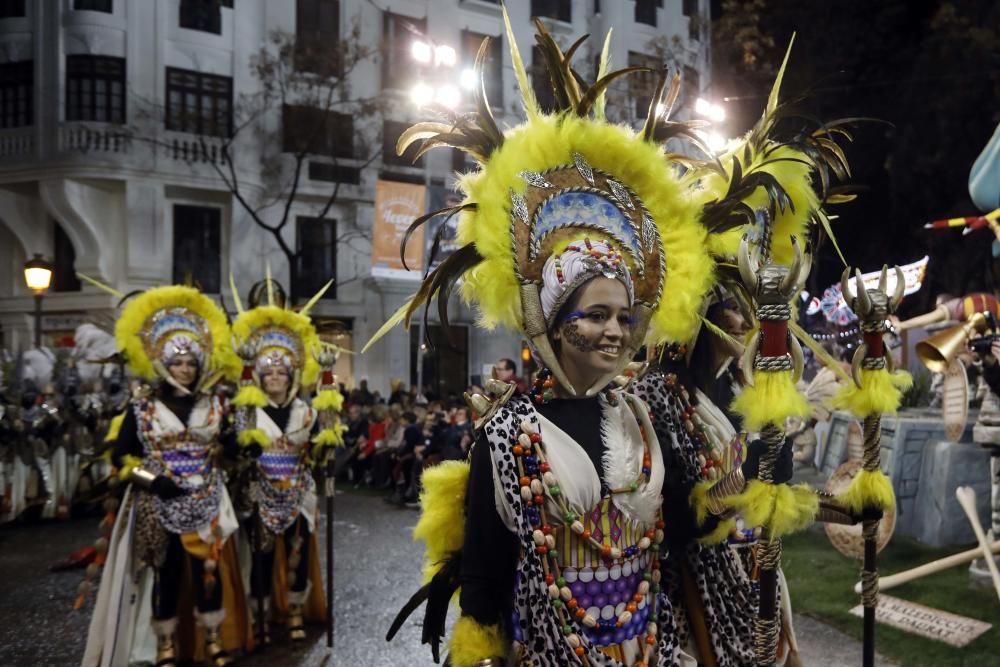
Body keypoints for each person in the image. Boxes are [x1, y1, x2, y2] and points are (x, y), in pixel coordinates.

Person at [375, 14, 863, 665]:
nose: (613, 330)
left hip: (651, 649)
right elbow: (487, 582)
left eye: (624, 315)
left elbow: (676, 535)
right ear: (550, 315)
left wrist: (749, 478)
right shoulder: (508, 431)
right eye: (594, 314)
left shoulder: (640, 415)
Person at [83, 285, 248, 667]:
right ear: (161, 363)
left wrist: (243, 443)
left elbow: (230, 445)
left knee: (208, 572)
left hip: (206, 499)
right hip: (159, 501)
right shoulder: (141, 408)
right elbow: (122, 455)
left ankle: (212, 637)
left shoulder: (214, 405)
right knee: (166, 573)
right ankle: (165, 644)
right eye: (177, 363)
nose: (185, 370)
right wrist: (152, 481)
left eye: (191, 363)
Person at [228, 283, 342, 646]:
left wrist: (327, 382)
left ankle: (295, 611)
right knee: (260, 559)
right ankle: (260, 615)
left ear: (292, 376)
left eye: (282, 373)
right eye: (269, 374)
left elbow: (326, 439)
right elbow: (237, 447)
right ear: (259, 378)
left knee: (297, 556)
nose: (276, 378)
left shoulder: (306, 411)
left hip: (299, 495)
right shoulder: (249, 411)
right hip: (260, 494)